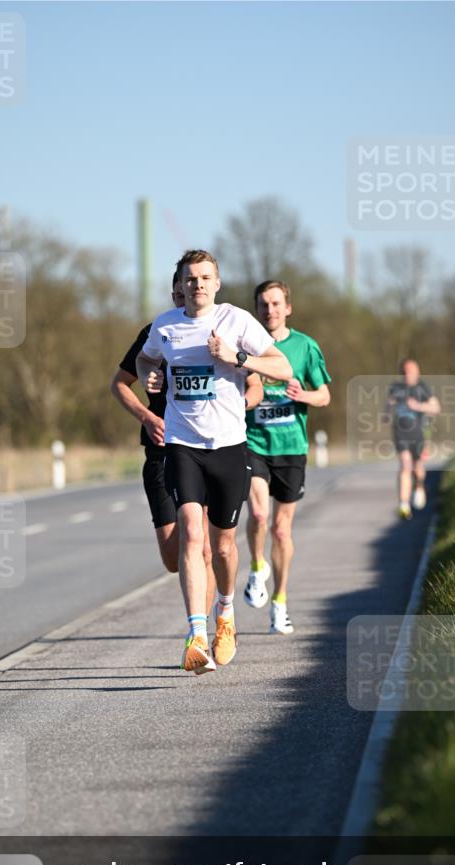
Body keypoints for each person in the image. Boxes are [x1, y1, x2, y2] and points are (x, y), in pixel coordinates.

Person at [136, 250, 292, 675]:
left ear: (217, 283)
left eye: (205, 277)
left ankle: (225, 613)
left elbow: (282, 365)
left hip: (227, 447)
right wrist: (149, 372)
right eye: (191, 278)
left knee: (224, 545)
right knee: (191, 534)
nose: (198, 284)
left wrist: (237, 358)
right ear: (180, 285)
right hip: (182, 445)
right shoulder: (164, 326)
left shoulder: (237, 320)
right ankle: (196, 634)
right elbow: (146, 359)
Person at [111, 273, 263, 610]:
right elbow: (120, 383)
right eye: (180, 294)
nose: (187, 300)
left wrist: (239, 404)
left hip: (203, 447)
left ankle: (204, 633)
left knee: (203, 545)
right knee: (172, 554)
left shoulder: (222, 329)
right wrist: (147, 416)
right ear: (174, 294)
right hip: (160, 449)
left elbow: (256, 385)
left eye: (192, 291)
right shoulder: (158, 332)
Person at [243, 280, 331, 635]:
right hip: (253, 442)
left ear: (288, 308)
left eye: (276, 304)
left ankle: (279, 602)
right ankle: (256, 566)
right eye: (263, 304)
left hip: (292, 447)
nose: (270, 310)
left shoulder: (305, 347)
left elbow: (324, 395)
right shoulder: (245, 346)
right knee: (260, 513)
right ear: (256, 309)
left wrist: (303, 395)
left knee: (281, 529)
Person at [386, 358, 441, 520]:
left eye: (412, 370)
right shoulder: (395, 388)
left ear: (418, 372)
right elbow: (389, 406)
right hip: (400, 433)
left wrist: (418, 406)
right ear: (401, 373)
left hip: (418, 433)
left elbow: (436, 408)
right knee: (405, 465)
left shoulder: (423, 388)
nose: (409, 374)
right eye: (406, 371)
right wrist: (388, 411)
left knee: (418, 466)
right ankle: (403, 505)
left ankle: (419, 486)